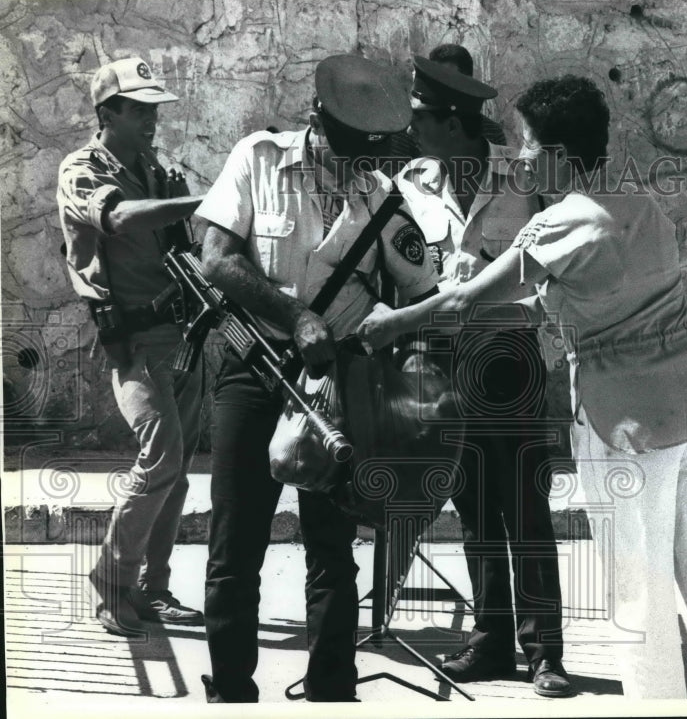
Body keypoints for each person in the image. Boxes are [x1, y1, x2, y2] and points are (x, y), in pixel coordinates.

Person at [358, 75, 687, 700]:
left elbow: (466, 299)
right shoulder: (644, 207)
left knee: (640, 590)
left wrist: (394, 322)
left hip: (629, 422)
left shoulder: (562, 225)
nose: (519, 156)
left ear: (554, 156)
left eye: (525, 143)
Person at [194, 54, 439, 703]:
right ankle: (231, 688)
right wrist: (295, 314)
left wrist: (395, 334)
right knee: (235, 542)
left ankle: (333, 688)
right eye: (344, 148)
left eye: (366, 154)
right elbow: (215, 258)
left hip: (338, 385)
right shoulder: (258, 158)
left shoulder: (383, 199)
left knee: (331, 551)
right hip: (254, 366)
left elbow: (424, 288)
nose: (352, 166)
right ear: (315, 120)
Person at [394, 56, 572, 698]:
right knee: (472, 508)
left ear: (454, 122)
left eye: (420, 116)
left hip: (510, 355)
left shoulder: (522, 177)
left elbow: (559, 253)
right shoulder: (409, 182)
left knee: (525, 508)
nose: (409, 127)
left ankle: (544, 650)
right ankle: (490, 640)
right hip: (445, 361)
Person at [56, 56, 206, 637]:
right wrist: (203, 201)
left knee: (179, 467)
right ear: (106, 112)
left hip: (180, 332)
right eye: (138, 109)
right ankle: (112, 581)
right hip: (133, 338)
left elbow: (183, 246)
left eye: (154, 110)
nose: (151, 120)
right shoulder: (82, 168)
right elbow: (117, 219)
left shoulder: (157, 169)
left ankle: (153, 587)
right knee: (161, 455)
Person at [385, 43, 506, 174]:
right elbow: (394, 182)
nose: (441, 85)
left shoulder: (492, 132)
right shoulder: (408, 130)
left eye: (448, 79)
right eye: (435, 78)